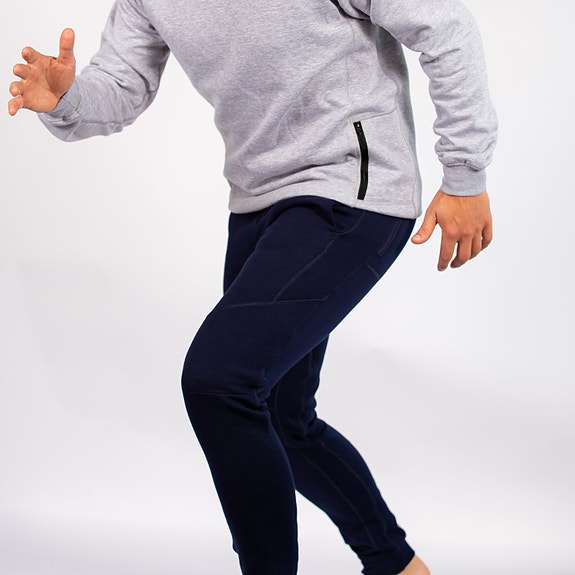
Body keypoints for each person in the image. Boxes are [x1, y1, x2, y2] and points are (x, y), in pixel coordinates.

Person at [8, 1, 497, 574]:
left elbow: (446, 26)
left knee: (220, 382)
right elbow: (121, 84)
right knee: (285, 421)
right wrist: (66, 99)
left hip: (350, 186)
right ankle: (400, 567)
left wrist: (465, 176)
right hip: (258, 202)